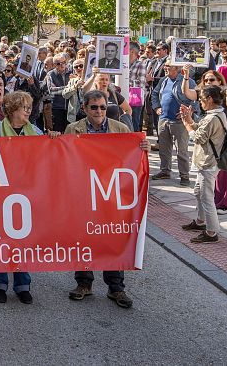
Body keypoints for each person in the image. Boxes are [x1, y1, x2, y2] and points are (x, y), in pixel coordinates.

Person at [65, 90, 150, 309]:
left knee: (112, 237)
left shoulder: (120, 129)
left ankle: (116, 287)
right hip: (83, 192)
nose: (99, 111)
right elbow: (64, 159)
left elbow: (132, 157)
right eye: (94, 107)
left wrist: (143, 149)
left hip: (111, 193)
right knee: (83, 237)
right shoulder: (73, 130)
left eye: (103, 107)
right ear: (84, 108)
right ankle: (84, 283)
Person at [0, 91, 60, 304]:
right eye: (24, 107)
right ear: (13, 108)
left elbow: (47, 157)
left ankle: (22, 284)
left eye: (29, 107)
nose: (28, 110)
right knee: (1, 238)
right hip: (0, 192)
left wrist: (52, 140)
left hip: (26, 193)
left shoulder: (34, 131)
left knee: (22, 238)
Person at [179, 86, 227, 243]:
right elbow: (203, 131)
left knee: (207, 197)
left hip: (207, 162)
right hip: (208, 161)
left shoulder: (212, 118)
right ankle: (201, 222)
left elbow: (198, 138)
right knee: (198, 192)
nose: (200, 102)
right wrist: (189, 121)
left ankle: (211, 232)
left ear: (210, 100)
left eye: (201, 99)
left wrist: (188, 125)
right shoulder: (218, 115)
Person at [150, 61, 195, 186]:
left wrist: (187, 113)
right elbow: (154, 94)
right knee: (164, 149)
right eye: (165, 65)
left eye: (168, 66)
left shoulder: (188, 81)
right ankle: (165, 171)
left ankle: (184, 176)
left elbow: (195, 99)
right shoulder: (163, 80)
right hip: (163, 119)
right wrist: (156, 107)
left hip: (179, 122)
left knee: (182, 151)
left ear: (177, 67)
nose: (165, 67)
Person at [45, 55, 72, 132]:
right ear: (54, 65)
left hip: (70, 108)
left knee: (69, 132)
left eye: (63, 62)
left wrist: (60, 89)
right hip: (57, 108)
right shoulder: (50, 74)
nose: (62, 65)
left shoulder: (71, 72)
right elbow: (52, 90)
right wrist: (68, 88)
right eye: (58, 63)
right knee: (58, 132)